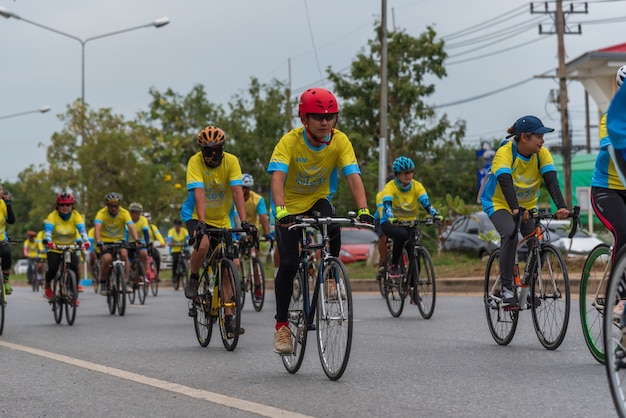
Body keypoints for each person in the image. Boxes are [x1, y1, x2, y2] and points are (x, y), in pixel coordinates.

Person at [267, 87, 374, 354]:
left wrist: (363, 209)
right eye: (318, 116)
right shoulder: (289, 142)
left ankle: (329, 277)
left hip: (317, 198)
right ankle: (281, 327)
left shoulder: (340, 141)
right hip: (288, 205)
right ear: (304, 119)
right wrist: (280, 210)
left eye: (330, 116)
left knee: (333, 223)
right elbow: (277, 178)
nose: (325, 122)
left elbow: (352, 175)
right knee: (289, 262)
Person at [481, 115, 569, 308]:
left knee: (537, 242)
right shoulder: (505, 152)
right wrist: (515, 209)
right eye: (539, 136)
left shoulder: (541, 154)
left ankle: (526, 288)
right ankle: (506, 288)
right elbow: (504, 181)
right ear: (524, 138)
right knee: (510, 234)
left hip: (528, 205)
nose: (543, 140)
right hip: (499, 203)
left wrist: (561, 206)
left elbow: (551, 181)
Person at [181, 126, 257, 337]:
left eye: (217, 150)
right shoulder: (194, 162)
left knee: (230, 265)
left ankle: (230, 318)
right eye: (207, 151)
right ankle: (194, 277)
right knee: (203, 244)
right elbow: (199, 193)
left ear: (223, 149)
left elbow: (236, 191)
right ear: (201, 151)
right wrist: (202, 224)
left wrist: (244, 221)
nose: (212, 155)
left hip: (222, 218)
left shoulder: (231, 161)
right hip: (196, 215)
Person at [380, 157, 443, 279]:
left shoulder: (417, 186)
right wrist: (391, 217)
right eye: (405, 173)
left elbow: (426, 203)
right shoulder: (390, 187)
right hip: (391, 222)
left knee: (414, 253)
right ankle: (394, 265)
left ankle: (413, 289)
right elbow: (387, 204)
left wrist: (435, 215)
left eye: (410, 172)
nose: (408, 175)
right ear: (398, 175)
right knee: (401, 234)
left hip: (409, 223)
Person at [597, 66, 626, 318]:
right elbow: (616, 155)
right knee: (624, 232)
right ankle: (618, 298)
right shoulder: (610, 120)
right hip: (607, 190)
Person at [42, 193, 90, 304]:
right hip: (54, 247)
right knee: (53, 268)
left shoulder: (76, 215)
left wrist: (86, 241)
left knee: (75, 268)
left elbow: (81, 229)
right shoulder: (52, 216)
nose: (65, 207)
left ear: (72, 206)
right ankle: (48, 284)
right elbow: (48, 230)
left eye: (68, 205)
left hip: (70, 246)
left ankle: (73, 293)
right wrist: (48, 241)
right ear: (57, 206)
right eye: (62, 205)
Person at [94, 192, 140, 295]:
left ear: (119, 205)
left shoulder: (124, 213)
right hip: (105, 241)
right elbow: (97, 228)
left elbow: (131, 227)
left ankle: (127, 283)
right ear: (107, 206)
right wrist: (98, 241)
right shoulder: (101, 213)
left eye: (116, 206)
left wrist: (137, 240)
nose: (113, 208)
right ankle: (103, 282)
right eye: (111, 206)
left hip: (120, 240)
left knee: (124, 255)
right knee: (107, 259)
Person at [374, 173, 396, 280]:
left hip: (397, 219)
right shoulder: (381, 195)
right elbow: (382, 211)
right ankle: (383, 262)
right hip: (382, 218)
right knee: (383, 238)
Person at [128, 202, 151, 286]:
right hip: (128, 242)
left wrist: (147, 243)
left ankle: (143, 275)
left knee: (144, 254)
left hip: (140, 242)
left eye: (137, 212)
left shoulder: (143, 220)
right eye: (133, 212)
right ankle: (128, 277)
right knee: (127, 261)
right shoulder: (127, 220)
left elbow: (146, 232)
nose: (134, 214)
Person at [0, 181, 16, 295]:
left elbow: (11, 221)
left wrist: (9, 205)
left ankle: (5, 281)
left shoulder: (2, 204)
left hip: (1, 238)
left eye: (1, 189)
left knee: (6, 253)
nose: (1, 191)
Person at [143, 212, 165, 281]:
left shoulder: (152, 227)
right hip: (141, 246)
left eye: (148, 220)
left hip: (150, 246)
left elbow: (158, 235)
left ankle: (157, 274)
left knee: (157, 256)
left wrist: (162, 242)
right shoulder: (140, 226)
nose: (147, 222)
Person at [167, 218, 189, 286]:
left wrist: (189, 242)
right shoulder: (171, 231)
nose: (178, 227)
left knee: (187, 256)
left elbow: (188, 237)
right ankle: (174, 275)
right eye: (176, 225)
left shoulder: (184, 230)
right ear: (174, 225)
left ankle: (185, 268)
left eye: (179, 225)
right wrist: (170, 243)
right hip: (174, 250)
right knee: (175, 261)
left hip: (183, 248)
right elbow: (169, 239)